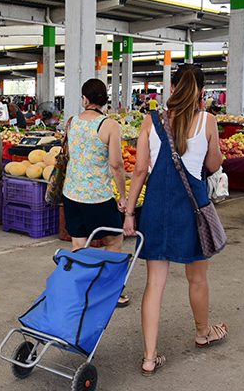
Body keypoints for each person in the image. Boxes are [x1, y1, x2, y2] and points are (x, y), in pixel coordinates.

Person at [123, 64, 227, 377]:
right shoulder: (207, 120)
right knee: (197, 278)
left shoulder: (150, 120)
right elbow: (214, 164)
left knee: (155, 283)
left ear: (171, 87)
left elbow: (139, 171)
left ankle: (150, 357)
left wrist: (129, 213)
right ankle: (202, 332)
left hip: (155, 208)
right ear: (202, 92)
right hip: (192, 210)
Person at [61, 78, 130, 307]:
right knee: (114, 241)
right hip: (98, 196)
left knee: (79, 245)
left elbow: (70, 154)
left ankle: (80, 290)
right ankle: (112, 292)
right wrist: (122, 195)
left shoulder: (72, 122)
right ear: (104, 100)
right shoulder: (109, 125)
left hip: (71, 193)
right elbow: (117, 165)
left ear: (84, 99)